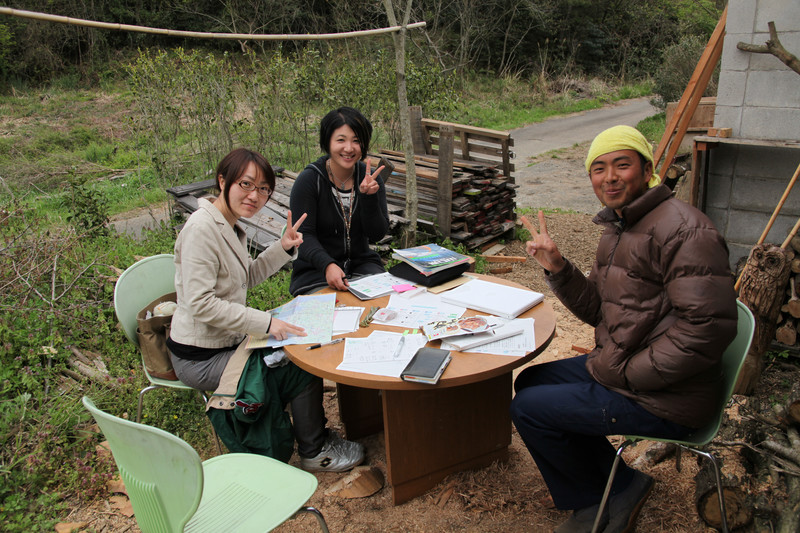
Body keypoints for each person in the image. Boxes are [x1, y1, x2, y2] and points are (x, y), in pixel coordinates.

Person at [511, 125, 738, 533]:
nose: (609, 177)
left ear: (648, 169)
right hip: (624, 368)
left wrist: (631, 374)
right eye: (598, 168)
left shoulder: (685, 230)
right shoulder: (619, 229)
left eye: (622, 164)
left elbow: (706, 330)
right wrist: (558, 267)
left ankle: (594, 503)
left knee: (529, 409)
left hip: (668, 396)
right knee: (530, 381)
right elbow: (600, 310)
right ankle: (623, 483)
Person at [167, 147, 364, 472]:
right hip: (200, 356)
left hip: (227, 341)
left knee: (298, 350)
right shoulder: (201, 230)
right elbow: (201, 305)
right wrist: (266, 323)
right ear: (222, 181)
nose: (254, 196)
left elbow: (247, 276)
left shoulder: (229, 225)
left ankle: (312, 437)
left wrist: (283, 247)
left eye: (263, 189)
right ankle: (314, 451)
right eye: (246, 185)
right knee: (296, 363)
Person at [289, 106, 389, 295]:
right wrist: (327, 265)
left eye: (356, 141)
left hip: (363, 267)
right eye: (341, 140)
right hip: (316, 272)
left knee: (385, 310)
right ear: (327, 142)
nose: (349, 148)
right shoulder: (310, 180)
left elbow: (376, 234)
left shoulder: (370, 179)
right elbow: (303, 235)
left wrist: (369, 198)